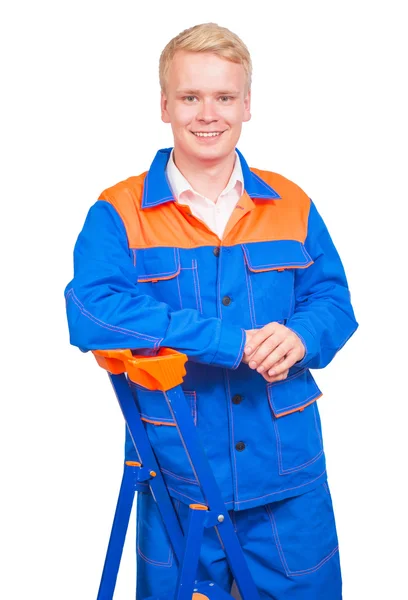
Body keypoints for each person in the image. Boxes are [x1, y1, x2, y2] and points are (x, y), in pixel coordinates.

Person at [65, 22, 358, 600]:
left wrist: (301, 335)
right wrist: (229, 341)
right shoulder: (118, 211)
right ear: (164, 105)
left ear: (247, 105)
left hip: (288, 486)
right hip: (178, 478)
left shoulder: (290, 203)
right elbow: (93, 311)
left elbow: (333, 301)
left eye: (224, 97)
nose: (208, 113)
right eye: (190, 97)